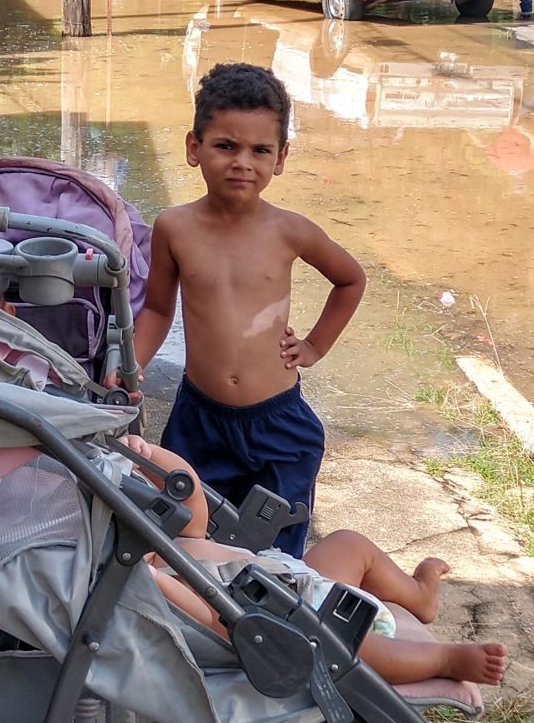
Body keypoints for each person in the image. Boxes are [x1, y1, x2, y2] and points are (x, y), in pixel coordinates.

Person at [133, 62, 365, 556]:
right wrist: (130, 366)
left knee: (274, 553)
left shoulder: (290, 230)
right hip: (198, 419)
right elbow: (156, 310)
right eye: (226, 146)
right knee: (184, 537)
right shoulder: (174, 227)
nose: (243, 162)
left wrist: (315, 345)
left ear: (280, 158)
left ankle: (271, 626)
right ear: (194, 148)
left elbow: (349, 280)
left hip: (278, 424)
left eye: (260, 150)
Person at [119, 436, 509, 689]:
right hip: (300, 627)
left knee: (347, 543)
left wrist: (150, 456)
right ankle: (445, 660)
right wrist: (150, 577)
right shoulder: (161, 586)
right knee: (350, 652)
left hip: (304, 581)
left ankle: (420, 594)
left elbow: (189, 496)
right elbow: (209, 620)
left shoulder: (178, 542)